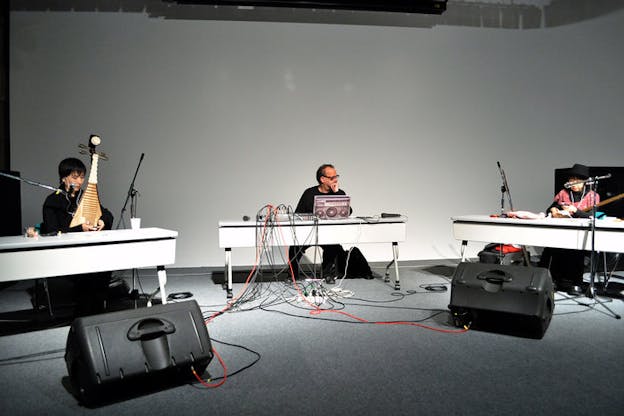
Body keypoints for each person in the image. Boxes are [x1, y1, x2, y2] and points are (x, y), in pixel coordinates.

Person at [40, 157, 115, 315]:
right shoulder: (53, 201)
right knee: (88, 273)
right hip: (66, 252)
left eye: (82, 177)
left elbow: (108, 214)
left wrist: (101, 221)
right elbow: (53, 230)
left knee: (105, 265)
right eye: (75, 177)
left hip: (89, 250)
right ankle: (85, 315)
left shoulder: (84, 197)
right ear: (63, 177)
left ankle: (97, 311)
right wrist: (80, 228)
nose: (80, 181)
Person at [539, 163, 600, 295]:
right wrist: (553, 210)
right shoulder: (563, 193)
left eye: (577, 181)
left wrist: (576, 211)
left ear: (585, 182)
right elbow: (550, 208)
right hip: (563, 231)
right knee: (552, 248)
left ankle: (576, 283)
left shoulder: (592, 196)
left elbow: (594, 215)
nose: (573, 183)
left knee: (577, 251)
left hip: (581, 233)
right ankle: (553, 280)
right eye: (571, 180)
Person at [288, 164, 350, 284]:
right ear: (322, 179)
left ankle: (327, 274)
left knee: (333, 246)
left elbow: (347, 211)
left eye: (336, 176)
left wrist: (336, 193)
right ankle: (293, 274)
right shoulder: (309, 193)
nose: (336, 180)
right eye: (332, 177)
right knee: (294, 248)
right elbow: (298, 214)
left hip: (327, 233)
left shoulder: (339, 192)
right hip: (308, 232)